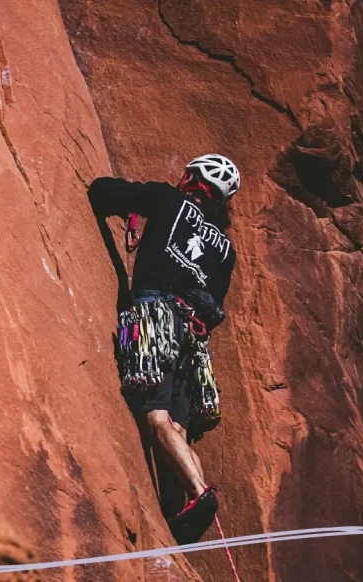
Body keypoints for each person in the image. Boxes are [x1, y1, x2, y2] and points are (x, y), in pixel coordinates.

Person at [87, 154, 240, 544]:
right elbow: (215, 308)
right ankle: (190, 499)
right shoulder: (225, 249)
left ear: (192, 179)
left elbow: (105, 193)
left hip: (154, 316)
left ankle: (201, 493)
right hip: (192, 341)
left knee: (155, 417)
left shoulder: (168, 200)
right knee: (177, 429)